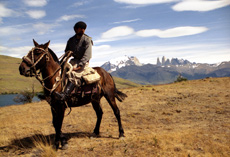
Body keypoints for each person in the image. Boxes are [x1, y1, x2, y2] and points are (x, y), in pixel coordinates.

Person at [55, 21, 93, 101]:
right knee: (61, 72)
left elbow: (87, 55)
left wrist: (80, 66)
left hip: (83, 61)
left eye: (84, 28)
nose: (82, 30)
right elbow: (67, 52)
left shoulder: (87, 40)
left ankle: (65, 94)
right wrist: (63, 61)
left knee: (74, 74)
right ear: (75, 29)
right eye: (80, 28)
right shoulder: (71, 40)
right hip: (73, 61)